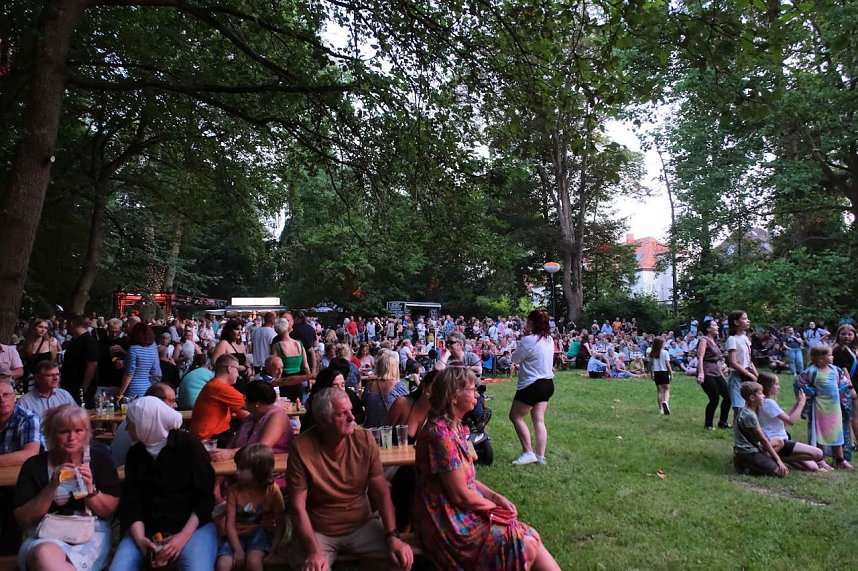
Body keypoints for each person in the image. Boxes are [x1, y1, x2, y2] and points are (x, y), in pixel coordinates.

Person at [412, 367, 560, 570]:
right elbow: (460, 495)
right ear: (453, 397)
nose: (477, 393)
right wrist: (495, 509)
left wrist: (496, 497)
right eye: (472, 389)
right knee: (524, 543)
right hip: (446, 522)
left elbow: (467, 479)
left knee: (530, 537)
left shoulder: (455, 427)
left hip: (460, 512)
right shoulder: (440, 436)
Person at [285, 387, 414, 570]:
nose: (352, 418)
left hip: (361, 525)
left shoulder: (364, 439)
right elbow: (297, 506)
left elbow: (381, 490)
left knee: (400, 559)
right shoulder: (301, 448)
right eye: (342, 414)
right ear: (323, 420)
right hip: (319, 531)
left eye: (351, 411)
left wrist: (392, 535)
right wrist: (314, 551)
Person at [110, 396, 218, 571]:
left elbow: (205, 498)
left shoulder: (189, 446)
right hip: (147, 530)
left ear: (146, 423)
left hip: (191, 527)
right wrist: (140, 540)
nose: (127, 428)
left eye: (131, 423)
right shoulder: (135, 454)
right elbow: (132, 502)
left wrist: (182, 538)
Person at [14, 404, 120, 571]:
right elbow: (24, 519)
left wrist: (90, 490)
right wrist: (51, 486)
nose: (72, 437)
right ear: (51, 434)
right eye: (64, 431)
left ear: (87, 433)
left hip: (91, 532)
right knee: (43, 555)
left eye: (79, 431)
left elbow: (109, 511)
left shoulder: (99, 458)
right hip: (46, 533)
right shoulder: (35, 465)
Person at [216, 443, 285, 571]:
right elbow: (229, 524)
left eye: (242, 469)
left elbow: (281, 523)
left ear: (258, 470)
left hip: (261, 533)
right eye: (237, 467)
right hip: (236, 535)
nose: (237, 472)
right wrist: (237, 549)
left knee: (253, 561)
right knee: (223, 564)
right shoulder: (234, 491)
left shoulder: (273, 490)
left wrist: (274, 547)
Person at [795, 345, 854, 470]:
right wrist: (810, 392)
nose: (832, 357)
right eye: (830, 355)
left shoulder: (835, 370)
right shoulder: (811, 372)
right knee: (820, 433)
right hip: (820, 408)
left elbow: (843, 383)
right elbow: (799, 383)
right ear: (821, 358)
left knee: (837, 432)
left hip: (835, 408)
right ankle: (820, 459)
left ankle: (839, 458)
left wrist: (845, 389)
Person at [509, 309, 555, 466]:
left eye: (527, 321)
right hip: (547, 383)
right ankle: (540, 456)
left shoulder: (529, 341)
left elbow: (515, 358)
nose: (525, 324)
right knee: (539, 420)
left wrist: (522, 340)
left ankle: (528, 452)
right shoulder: (549, 339)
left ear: (532, 323)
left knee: (516, 416)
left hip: (532, 384)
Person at [757, 373, 823, 471]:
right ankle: (776, 457)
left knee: (813, 467)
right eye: (776, 384)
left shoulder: (764, 402)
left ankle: (779, 457)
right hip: (779, 442)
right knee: (818, 454)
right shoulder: (769, 403)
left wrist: (797, 403)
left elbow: (785, 418)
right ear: (767, 386)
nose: (779, 387)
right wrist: (801, 403)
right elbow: (791, 421)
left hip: (775, 440)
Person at [111, 383, 178, 468]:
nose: (176, 405)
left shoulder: (135, 419)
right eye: (171, 401)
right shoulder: (144, 427)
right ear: (157, 403)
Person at [732, 381, 789, 477]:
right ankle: (746, 464)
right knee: (783, 473)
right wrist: (778, 460)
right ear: (752, 398)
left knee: (779, 442)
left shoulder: (749, 411)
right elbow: (763, 440)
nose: (764, 396)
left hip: (754, 447)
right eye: (761, 394)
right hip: (748, 451)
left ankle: (757, 463)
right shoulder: (749, 415)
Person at [191, 354, 249, 446]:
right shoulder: (219, 387)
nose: (238, 375)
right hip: (208, 440)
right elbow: (251, 404)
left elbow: (242, 411)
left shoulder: (215, 386)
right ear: (229, 368)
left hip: (213, 436)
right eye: (237, 370)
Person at [301, 366, 365, 432]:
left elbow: (360, 415)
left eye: (342, 385)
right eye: (335, 386)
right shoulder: (315, 409)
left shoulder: (349, 394)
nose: (340, 389)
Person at [695, 319, 731, 430]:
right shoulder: (704, 340)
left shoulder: (714, 341)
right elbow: (700, 357)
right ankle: (708, 425)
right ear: (708, 328)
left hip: (716, 371)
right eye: (715, 325)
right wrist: (701, 373)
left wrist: (722, 370)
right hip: (706, 371)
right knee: (714, 397)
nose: (717, 327)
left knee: (728, 396)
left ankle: (723, 422)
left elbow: (717, 359)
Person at [362, 351, 409, 428]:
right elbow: (408, 408)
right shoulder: (398, 387)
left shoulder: (369, 386)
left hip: (370, 430)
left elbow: (364, 405)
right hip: (389, 432)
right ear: (394, 368)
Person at [725, 310, 757, 421]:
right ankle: (737, 429)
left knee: (751, 403)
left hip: (748, 373)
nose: (748, 321)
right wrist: (749, 374)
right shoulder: (732, 339)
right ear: (736, 322)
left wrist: (755, 374)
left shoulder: (745, 338)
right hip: (737, 375)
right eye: (744, 318)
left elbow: (749, 359)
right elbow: (733, 362)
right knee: (739, 406)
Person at [270, 316, 311, 402]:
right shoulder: (299, 344)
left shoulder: (277, 346)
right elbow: (305, 366)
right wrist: (309, 381)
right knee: (297, 410)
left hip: (284, 382)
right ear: (288, 327)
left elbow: (275, 366)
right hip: (298, 382)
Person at [117, 323, 162, 402]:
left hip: (133, 388)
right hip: (147, 387)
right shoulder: (152, 351)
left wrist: (120, 394)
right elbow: (153, 370)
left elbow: (129, 374)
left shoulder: (133, 349)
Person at [61, 314, 99, 406]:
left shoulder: (89, 342)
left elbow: (92, 365)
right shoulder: (74, 341)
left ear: (72, 324)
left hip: (80, 387)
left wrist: (83, 388)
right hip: (70, 385)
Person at [211, 319, 251, 387]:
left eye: (241, 329)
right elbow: (215, 362)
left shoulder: (241, 345)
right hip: (229, 382)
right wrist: (235, 367)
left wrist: (249, 368)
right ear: (229, 331)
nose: (240, 332)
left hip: (242, 380)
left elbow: (245, 360)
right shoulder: (223, 344)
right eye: (237, 329)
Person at [649, 337, 672, 415]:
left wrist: (652, 373)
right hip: (664, 372)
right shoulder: (665, 352)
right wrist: (671, 373)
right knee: (667, 389)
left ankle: (660, 409)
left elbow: (651, 365)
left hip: (656, 372)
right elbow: (667, 364)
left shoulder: (652, 353)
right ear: (661, 344)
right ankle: (665, 401)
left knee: (659, 390)